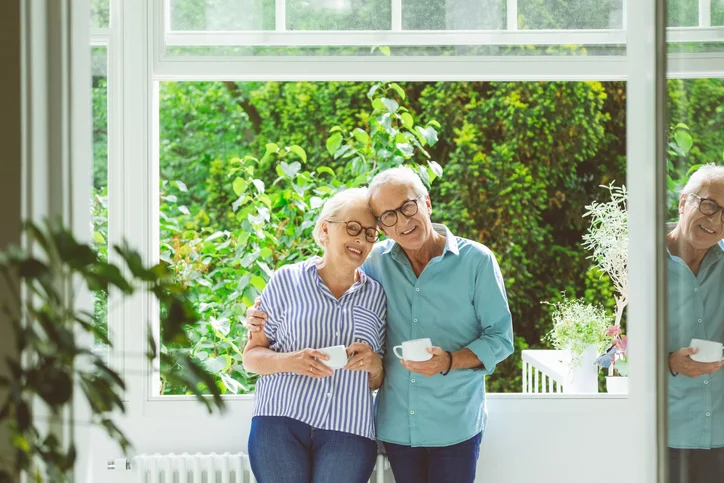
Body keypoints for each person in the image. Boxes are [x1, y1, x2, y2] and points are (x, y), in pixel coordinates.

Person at [247, 167, 514, 483]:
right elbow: (331, 268)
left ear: (426, 203)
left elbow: (500, 338)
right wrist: (256, 316)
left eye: (407, 207)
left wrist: (449, 361)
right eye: (387, 217)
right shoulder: (373, 263)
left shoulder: (475, 261)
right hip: (397, 428)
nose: (402, 221)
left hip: (453, 424)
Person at [242, 187, 387, 483]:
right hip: (279, 422)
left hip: (349, 430)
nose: (361, 239)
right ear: (325, 229)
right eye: (352, 228)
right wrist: (290, 361)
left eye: (370, 233)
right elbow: (251, 358)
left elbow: (377, 379)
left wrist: (374, 365)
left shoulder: (377, 296)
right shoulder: (286, 279)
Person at [666, 164, 724, 483]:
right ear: (683, 202)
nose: (714, 221)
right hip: (663, 437)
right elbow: (612, 343)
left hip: (719, 439)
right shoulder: (642, 261)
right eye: (709, 205)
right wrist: (669, 361)